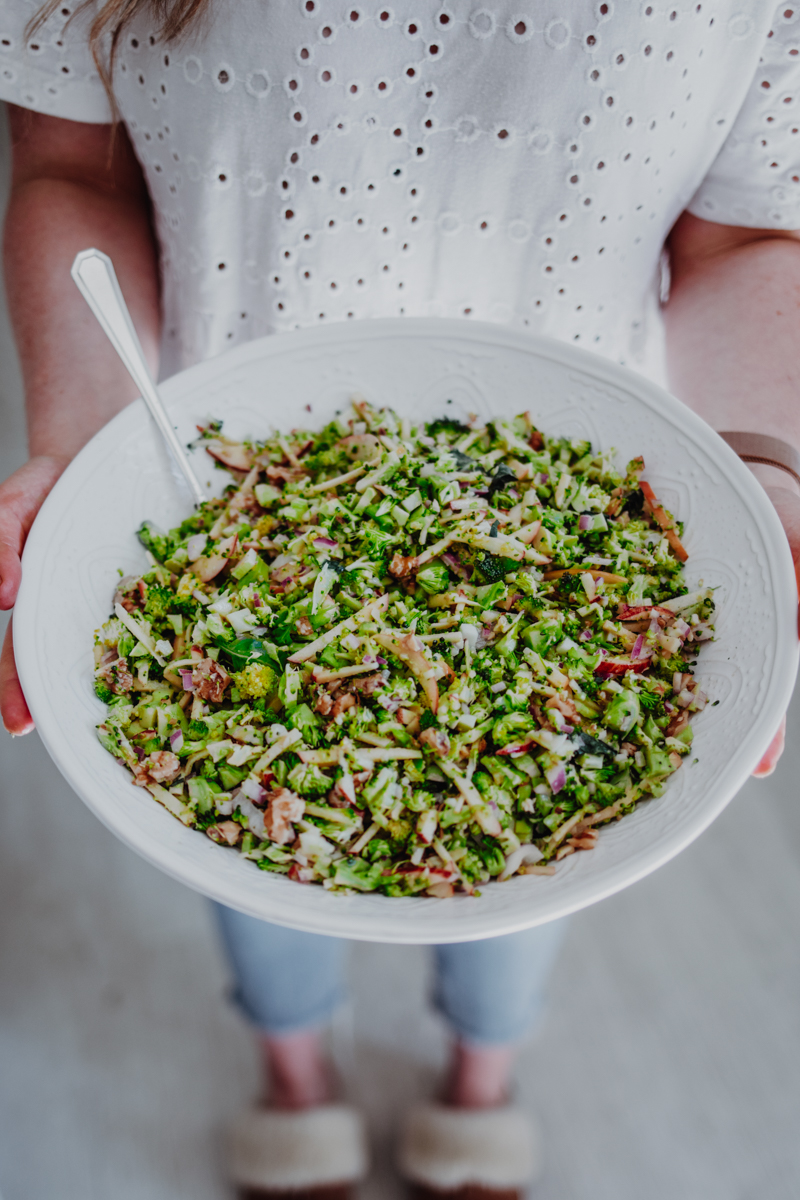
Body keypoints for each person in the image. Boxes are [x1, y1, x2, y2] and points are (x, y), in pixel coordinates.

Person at [0, 2, 798, 1197]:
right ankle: (292, 1071)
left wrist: (765, 477)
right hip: (212, 469)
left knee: (525, 882)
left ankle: (479, 1075)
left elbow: (742, 236)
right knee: (252, 863)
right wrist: (83, 455)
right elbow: (68, 164)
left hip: (580, 508)